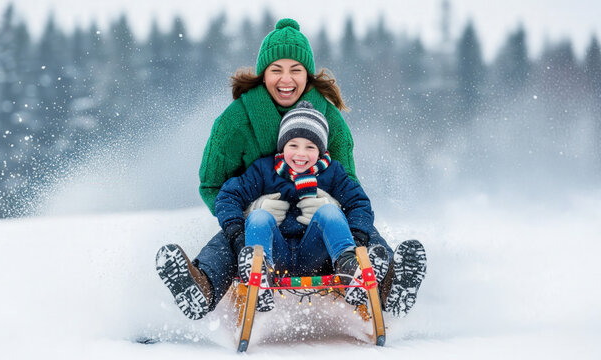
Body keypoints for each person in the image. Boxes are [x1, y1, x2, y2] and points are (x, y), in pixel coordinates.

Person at [155, 18, 426, 320]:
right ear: (263, 74)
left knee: (360, 231)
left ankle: (388, 285)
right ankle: (201, 287)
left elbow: (352, 190)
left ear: (307, 75)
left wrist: (332, 207)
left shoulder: (331, 121)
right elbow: (214, 188)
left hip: (320, 238)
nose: (286, 79)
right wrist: (248, 212)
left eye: (295, 70)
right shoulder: (235, 124)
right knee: (231, 241)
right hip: (262, 233)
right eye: (276, 70)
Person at [216, 102, 390, 311]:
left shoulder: (333, 173)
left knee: (330, 211)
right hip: (274, 253)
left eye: (310, 147)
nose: (301, 154)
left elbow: (359, 204)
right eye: (293, 145)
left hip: (317, 254)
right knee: (259, 217)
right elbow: (227, 196)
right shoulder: (264, 170)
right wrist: (239, 230)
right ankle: (258, 272)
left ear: (321, 150)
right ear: (282, 146)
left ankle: (349, 268)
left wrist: (357, 237)